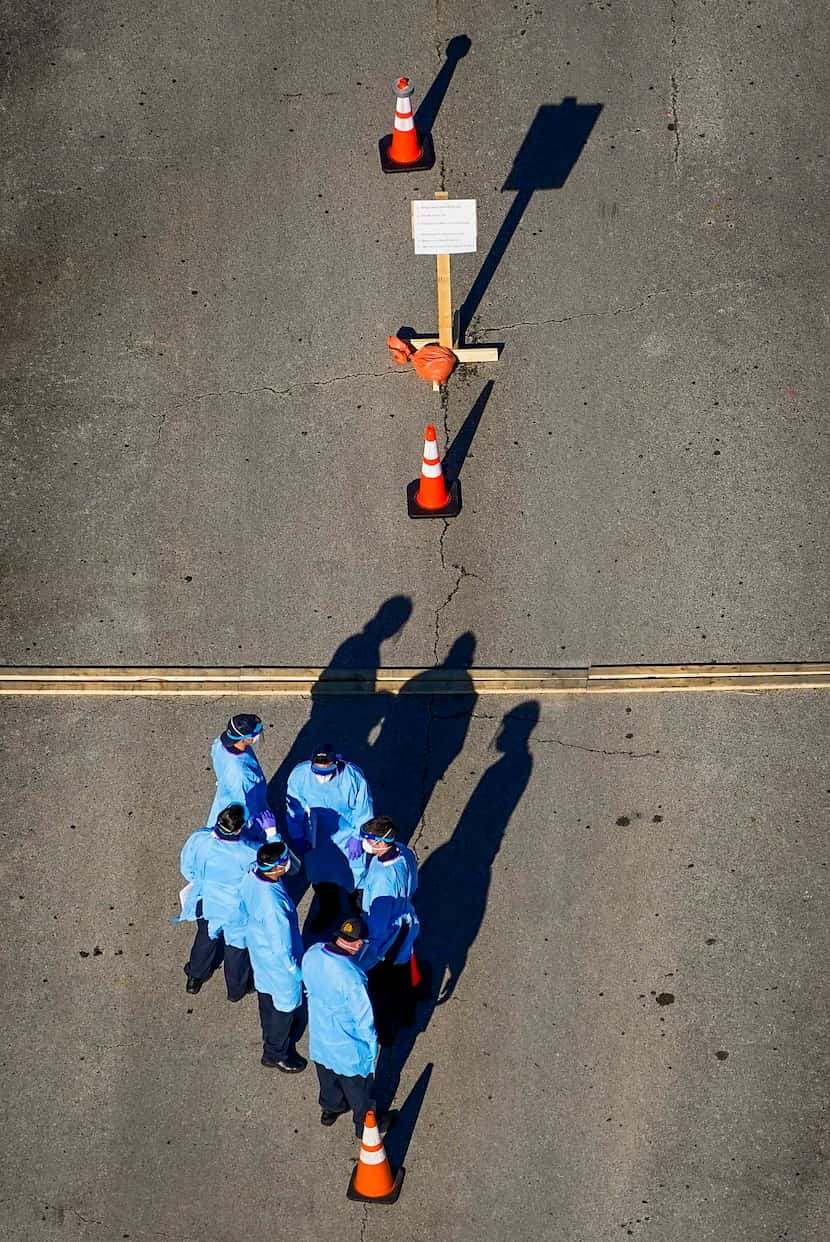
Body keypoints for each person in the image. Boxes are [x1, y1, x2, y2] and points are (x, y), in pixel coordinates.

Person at [302, 915, 379, 1134]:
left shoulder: (314, 952)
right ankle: (364, 1128)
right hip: (347, 1046)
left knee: (327, 1078)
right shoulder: (352, 977)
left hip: (320, 1035)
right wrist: (371, 1048)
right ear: (357, 944)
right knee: (358, 1090)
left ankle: (330, 1109)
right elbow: (364, 1018)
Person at [285, 743, 373, 928]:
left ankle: (358, 916)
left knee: (355, 879)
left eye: (327, 772)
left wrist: (358, 836)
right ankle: (329, 910)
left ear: (337, 763)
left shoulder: (353, 778)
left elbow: (363, 810)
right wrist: (298, 835)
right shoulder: (300, 776)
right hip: (316, 837)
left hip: (347, 837)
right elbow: (294, 809)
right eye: (318, 772)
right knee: (320, 876)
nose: (322, 777)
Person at [174, 803, 256, 999]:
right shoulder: (249, 851)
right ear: (240, 828)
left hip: (207, 900)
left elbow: (187, 869)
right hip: (237, 908)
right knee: (236, 949)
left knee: (205, 937)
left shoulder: (199, 838)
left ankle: (195, 977)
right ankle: (236, 990)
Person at [238, 840, 306, 1072]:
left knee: (267, 998)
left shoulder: (252, 873)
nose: (288, 863)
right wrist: (295, 972)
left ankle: (271, 1034)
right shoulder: (273, 905)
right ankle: (275, 1053)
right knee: (283, 1007)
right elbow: (281, 946)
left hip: (260, 950)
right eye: (285, 860)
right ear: (277, 867)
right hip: (279, 963)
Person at [355, 816, 420, 1043]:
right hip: (406, 920)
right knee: (402, 974)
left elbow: (378, 925)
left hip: (388, 936)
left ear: (382, 843)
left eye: (369, 839)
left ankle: (385, 1033)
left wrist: (366, 947)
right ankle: (407, 1014)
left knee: (380, 986)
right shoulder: (404, 851)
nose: (365, 843)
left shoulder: (384, 879)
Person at [207, 714, 273, 836]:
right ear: (244, 739)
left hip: (225, 795)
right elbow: (245, 807)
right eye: (254, 735)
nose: (257, 737)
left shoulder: (221, 743)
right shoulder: (241, 775)